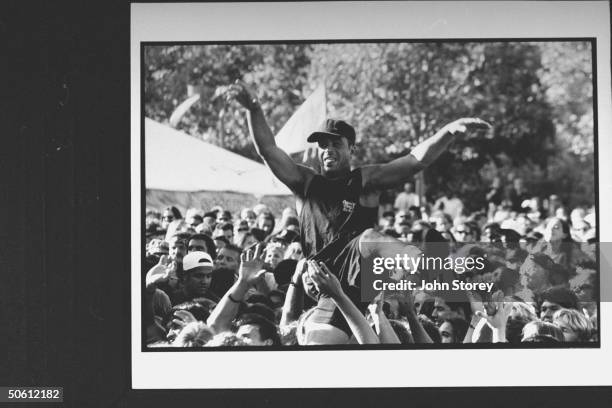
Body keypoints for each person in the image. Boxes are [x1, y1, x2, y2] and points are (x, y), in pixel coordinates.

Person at [226, 80, 491, 334]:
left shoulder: (365, 179)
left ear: (352, 148)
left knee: (368, 240)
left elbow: (413, 161)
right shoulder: (304, 181)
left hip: (360, 278)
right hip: (321, 276)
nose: (328, 149)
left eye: (335, 143)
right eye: (323, 145)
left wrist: (449, 132)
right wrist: (254, 109)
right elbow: (269, 149)